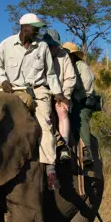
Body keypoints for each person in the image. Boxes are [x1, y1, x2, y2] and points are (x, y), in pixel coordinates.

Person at [0, 13, 67, 190]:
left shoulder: (42, 47)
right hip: (14, 91)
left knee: (45, 123)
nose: (37, 31)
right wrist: (3, 80)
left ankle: (50, 169)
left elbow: (50, 73)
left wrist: (57, 92)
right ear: (24, 27)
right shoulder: (6, 45)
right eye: (35, 28)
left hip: (38, 90)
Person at [42, 29, 77, 163]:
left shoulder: (64, 56)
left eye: (54, 45)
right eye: (49, 45)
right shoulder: (38, 54)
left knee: (62, 110)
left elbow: (70, 78)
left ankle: (64, 147)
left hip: (61, 94)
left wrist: (63, 95)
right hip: (43, 94)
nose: (52, 47)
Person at [62, 41, 97, 166]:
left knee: (81, 117)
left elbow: (87, 85)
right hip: (69, 100)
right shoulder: (64, 66)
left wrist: (70, 86)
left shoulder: (80, 65)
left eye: (67, 53)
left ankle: (87, 150)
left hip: (83, 101)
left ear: (72, 55)